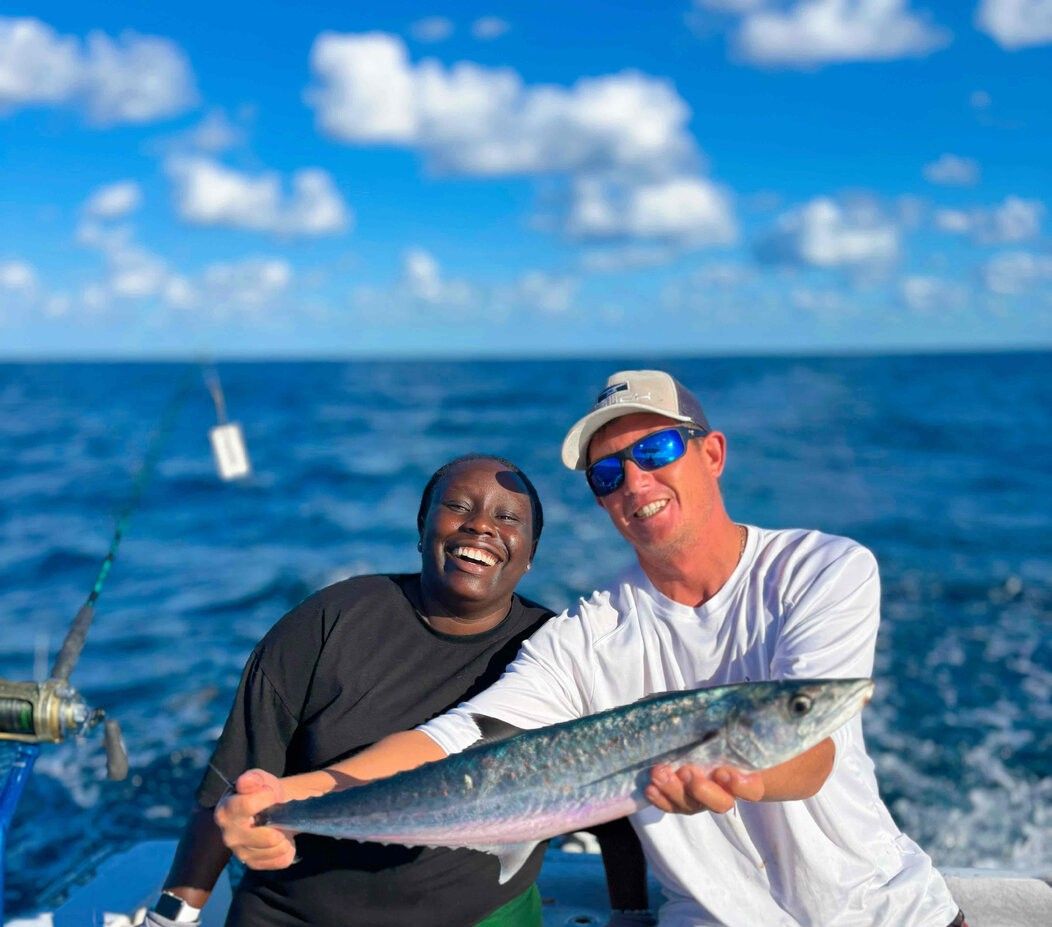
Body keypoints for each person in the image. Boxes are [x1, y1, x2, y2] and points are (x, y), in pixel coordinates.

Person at [216, 372, 965, 926]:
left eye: (656, 448)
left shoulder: (822, 568)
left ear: (712, 453)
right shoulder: (586, 634)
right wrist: (295, 797)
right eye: (608, 473)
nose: (635, 480)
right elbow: (455, 739)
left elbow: (811, 754)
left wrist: (735, 774)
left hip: (883, 912)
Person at [147, 454, 652, 927]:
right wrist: (172, 913)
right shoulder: (328, 621)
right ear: (422, 528)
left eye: (508, 518)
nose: (481, 526)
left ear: (530, 555)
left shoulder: (556, 651)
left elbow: (610, 793)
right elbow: (228, 783)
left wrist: (631, 914)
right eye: (458, 507)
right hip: (293, 913)